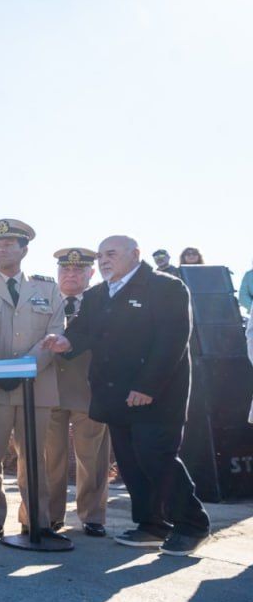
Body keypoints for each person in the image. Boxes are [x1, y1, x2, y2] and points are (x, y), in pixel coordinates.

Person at [43, 236, 211, 556]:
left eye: (112, 254)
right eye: (102, 256)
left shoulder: (166, 287)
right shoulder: (97, 294)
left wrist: (147, 387)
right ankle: (151, 524)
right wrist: (65, 343)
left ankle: (193, 523)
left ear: (135, 254)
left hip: (156, 396)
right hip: (114, 396)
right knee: (131, 463)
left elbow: (172, 341)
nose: (105, 261)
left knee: (157, 457)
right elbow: (83, 331)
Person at [0, 219, 66, 541]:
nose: (1, 250)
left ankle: (37, 520)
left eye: (8, 244)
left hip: (35, 386)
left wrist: (23, 369)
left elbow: (56, 334)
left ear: (24, 249)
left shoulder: (48, 288)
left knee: (35, 459)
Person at [44, 248, 111, 537]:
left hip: (89, 388)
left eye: (78, 271)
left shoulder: (102, 301)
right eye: (65, 270)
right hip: (48, 388)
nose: (70, 275)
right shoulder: (44, 299)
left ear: (90, 273)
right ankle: (50, 515)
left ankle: (92, 515)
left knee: (92, 457)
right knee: (50, 457)